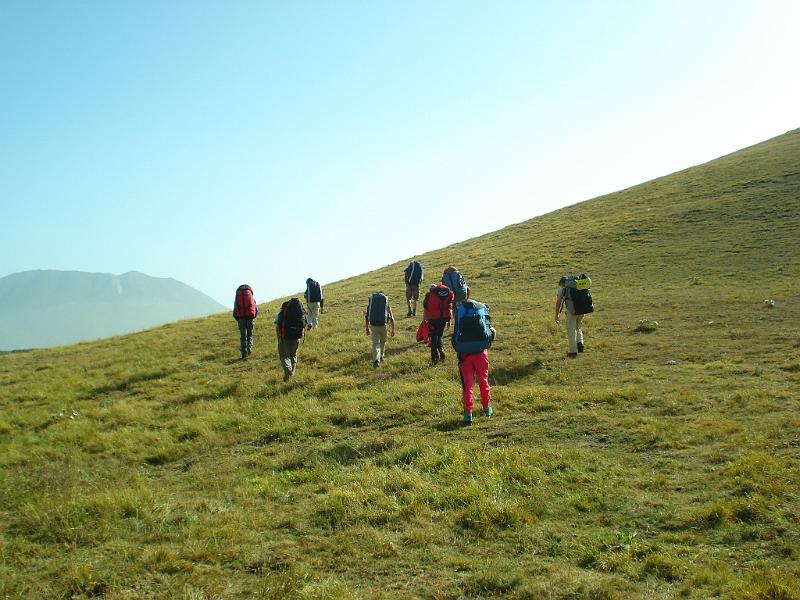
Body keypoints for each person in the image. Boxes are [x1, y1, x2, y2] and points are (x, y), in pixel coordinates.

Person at [452, 298, 495, 425]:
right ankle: (486, 408)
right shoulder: (481, 309)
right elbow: (489, 332)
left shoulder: (460, 311)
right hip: (481, 353)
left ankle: (468, 414)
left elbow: (455, 334)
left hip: (465, 355)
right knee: (483, 381)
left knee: (468, 386)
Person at [275, 297, 310, 380]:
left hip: (284, 337)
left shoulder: (281, 314)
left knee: (284, 356)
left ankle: (288, 371)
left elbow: (277, 326)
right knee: (293, 356)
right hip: (296, 337)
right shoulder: (300, 313)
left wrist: (279, 338)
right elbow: (305, 325)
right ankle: (291, 373)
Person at [423, 281, 454, 365]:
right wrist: (449, 320)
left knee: (433, 337)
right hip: (444, 318)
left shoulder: (430, 295)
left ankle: (434, 358)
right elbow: (450, 306)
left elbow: (426, 308)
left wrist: (424, 320)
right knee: (439, 335)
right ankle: (441, 349)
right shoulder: (447, 293)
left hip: (433, 319)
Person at [555, 276, 585, 358]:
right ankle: (580, 343)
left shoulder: (564, 288)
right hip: (583, 309)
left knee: (571, 329)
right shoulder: (578, 285)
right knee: (578, 326)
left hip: (572, 311)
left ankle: (573, 351)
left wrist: (556, 315)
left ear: (562, 283)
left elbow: (558, 302)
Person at [365, 292, 395, 367]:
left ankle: (376, 360)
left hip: (373, 325)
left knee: (375, 344)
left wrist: (367, 328)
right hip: (383, 326)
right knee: (383, 341)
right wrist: (393, 329)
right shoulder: (386, 304)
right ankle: (381, 356)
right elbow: (392, 318)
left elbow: (367, 317)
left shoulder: (371, 305)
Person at [233, 284, 258, 359]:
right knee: (249, 334)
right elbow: (256, 309)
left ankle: (244, 353)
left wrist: (238, 319)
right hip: (250, 317)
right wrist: (253, 317)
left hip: (241, 318)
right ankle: (249, 349)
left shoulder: (237, 298)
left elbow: (235, 310)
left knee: (243, 336)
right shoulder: (251, 297)